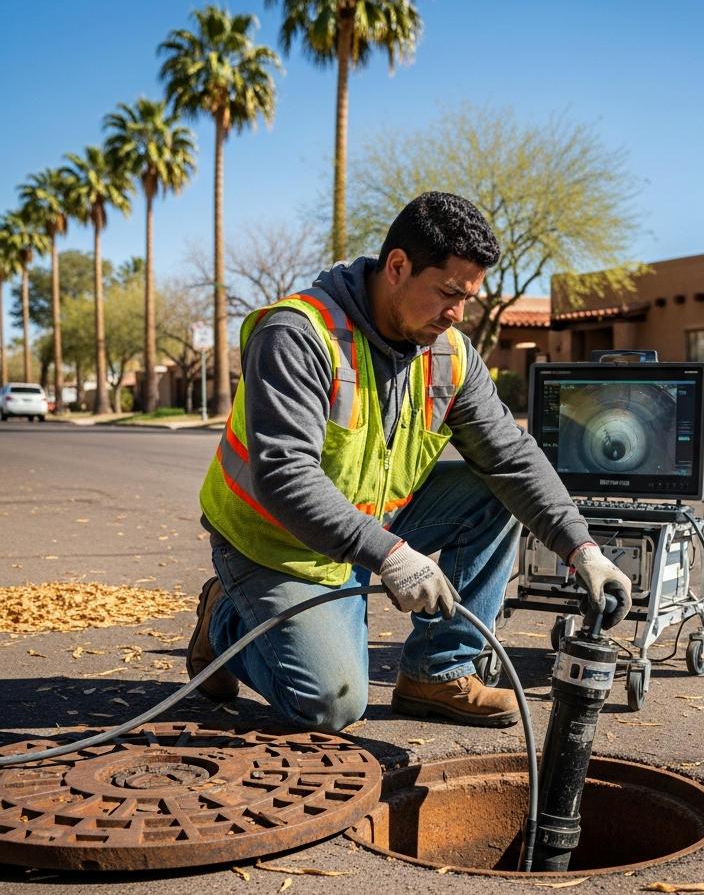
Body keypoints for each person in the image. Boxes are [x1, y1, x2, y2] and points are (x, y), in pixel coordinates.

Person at [187, 191, 631, 731]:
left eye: (467, 298)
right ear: (397, 266)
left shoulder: (449, 352)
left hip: (366, 530)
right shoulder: (298, 335)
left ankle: (437, 673)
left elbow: (511, 457)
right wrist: (391, 555)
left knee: (493, 488)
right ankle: (226, 621)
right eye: (447, 292)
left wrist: (579, 546)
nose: (456, 314)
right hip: (274, 546)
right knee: (331, 705)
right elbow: (286, 475)